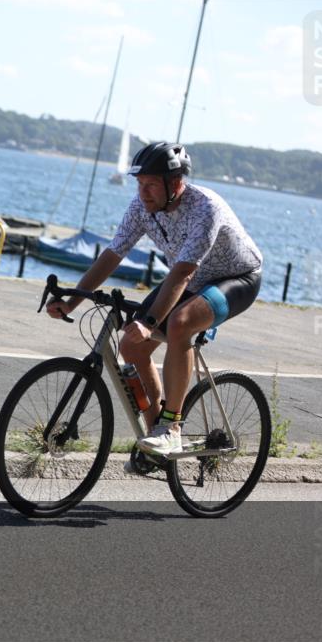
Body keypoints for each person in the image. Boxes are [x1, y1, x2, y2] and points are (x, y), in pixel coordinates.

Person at [46, 143, 263, 461]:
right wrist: (72, 302)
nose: (143, 192)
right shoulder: (140, 208)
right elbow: (113, 254)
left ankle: (171, 429)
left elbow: (183, 274)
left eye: (150, 184)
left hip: (238, 278)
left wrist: (149, 324)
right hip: (193, 279)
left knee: (179, 324)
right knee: (131, 348)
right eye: (139, 184)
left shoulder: (205, 208)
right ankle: (154, 439)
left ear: (175, 184)